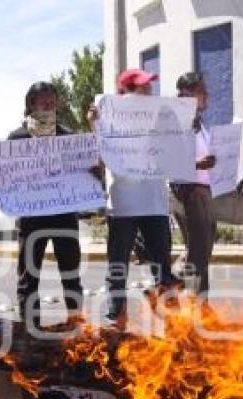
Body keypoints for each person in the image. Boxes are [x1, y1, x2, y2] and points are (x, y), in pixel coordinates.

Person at [89, 69, 181, 326]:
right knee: (118, 267)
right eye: (141, 87)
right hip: (123, 206)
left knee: (162, 266)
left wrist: (185, 126)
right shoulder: (108, 121)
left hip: (154, 204)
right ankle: (116, 318)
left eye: (149, 87)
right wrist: (94, 126)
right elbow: (97, 160)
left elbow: (175, 148)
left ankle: (172, 321)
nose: (148, 92)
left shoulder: (159, 118)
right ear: (124, 94)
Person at [0, 81, 84, 329]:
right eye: (44, 101)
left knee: (71, 277)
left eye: (53, 101)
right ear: (31, 104)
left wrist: (94, 172)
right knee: (29, 279)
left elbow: (83, 173)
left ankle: (76, 328)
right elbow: (2, 177)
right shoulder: (17, 138)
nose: (49, 105)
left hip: (64, 217)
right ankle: (31, 333)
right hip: (32, 220)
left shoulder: (68, 136)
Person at [170, 72, 218, 296]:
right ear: (185, 95)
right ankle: (195, 309)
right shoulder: (176, 122)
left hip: (204, 190)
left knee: (201, 250)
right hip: (188, 190)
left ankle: (170, 285)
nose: (206, 95)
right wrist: (197, 164)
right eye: (200, 91)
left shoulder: (200, 124)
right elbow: (166, 157)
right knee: (199, 253)